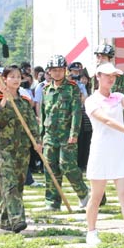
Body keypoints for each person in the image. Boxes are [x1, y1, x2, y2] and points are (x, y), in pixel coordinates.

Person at [84, 62, 124, 246]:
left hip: (120, 151)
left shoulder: (118, 96)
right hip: (100, 151)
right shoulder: (91, 101)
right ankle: (91, 232)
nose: (111, 79)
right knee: (96, 196)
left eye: (113, 75)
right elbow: (106, 121)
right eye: (106, 75)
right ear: (98, 77)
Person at [0, 65, 42, 232]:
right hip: (3, 150)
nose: (16, 79)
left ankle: (6, 221)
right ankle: (18, 218)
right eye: (12, 76)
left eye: (18, 76)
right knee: (9, 183)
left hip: (22, 149)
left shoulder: (25, 101)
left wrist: (37, 141)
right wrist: (4, 100)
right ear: (3, 80)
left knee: (19, 184)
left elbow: (32, 124)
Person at [41, 54, 90, 210]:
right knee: (50, 168)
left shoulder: (72, 87)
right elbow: (43, 113)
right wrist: (41, 134)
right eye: (54, 70)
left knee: (67, 166)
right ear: (49, 72)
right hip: (50, 135)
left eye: (60, 70)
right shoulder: (46, 89)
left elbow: (76, 112)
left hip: (67, 135)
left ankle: (84, 194)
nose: (57, 73)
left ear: (65, 71)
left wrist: (74, 133)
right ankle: (52, 202)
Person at [93, 44, 124, 204]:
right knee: (100, 166)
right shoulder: (95, 75)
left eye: (103, 56)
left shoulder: (119, 77)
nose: (100, 59)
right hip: (100, 124)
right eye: (98, 56)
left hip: (119, 122)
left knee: (122, 161)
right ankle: (100, 196)